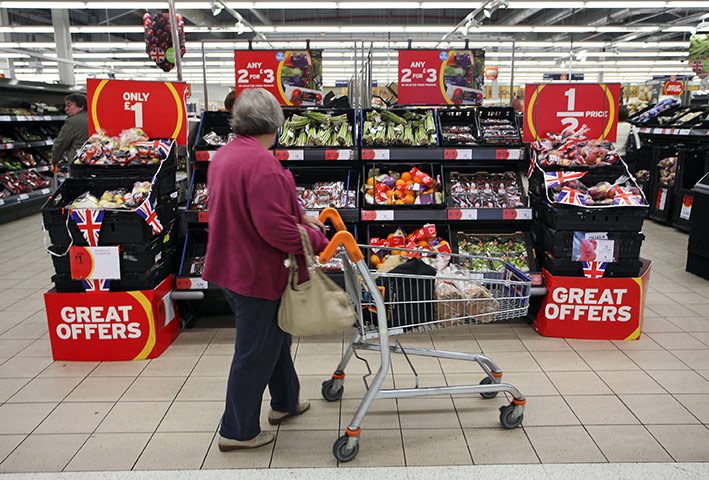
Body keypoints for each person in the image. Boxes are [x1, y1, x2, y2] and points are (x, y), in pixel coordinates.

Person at [202, 88, 329, 451]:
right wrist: (316, 241)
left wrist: (296, 215)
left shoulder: (226, 156)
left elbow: (248, 206)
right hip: (254, 273)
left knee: (275, 339)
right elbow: (274, 229)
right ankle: (237, 431)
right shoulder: (263, 164)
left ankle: (285, 403)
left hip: (229, 264)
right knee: (255, 352)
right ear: (275, 124)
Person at [52, 93, 89, 165]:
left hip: (78, 164)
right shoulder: (94, 117)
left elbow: (60, 143)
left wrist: (55, 159)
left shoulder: (72, 121)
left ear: (81, 107)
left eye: (69, 105)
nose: (66, 109)